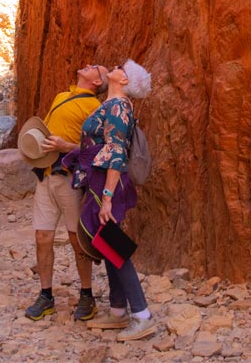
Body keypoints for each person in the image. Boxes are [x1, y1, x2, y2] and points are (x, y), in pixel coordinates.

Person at [64, 58, 155, 341]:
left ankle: (142, 315)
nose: (115, 68)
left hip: (108, 181)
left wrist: (106, 198)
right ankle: (118, 311)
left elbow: (115, 152)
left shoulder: (118, 106)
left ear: (124, 81)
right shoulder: (113, 105)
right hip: (101, 178)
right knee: (105, 243)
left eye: (120, 68)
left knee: (112, 244)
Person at [19, 63, 109, 322]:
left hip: (71, 180)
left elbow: (97, 148)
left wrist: (65, 145)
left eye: (96, 68)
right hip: (45, 176)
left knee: (76, 238)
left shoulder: (94, 108)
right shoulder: (61, 96)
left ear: (96, 83)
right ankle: (46, 295)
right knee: (42, 236)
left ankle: (86, 295)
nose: (89, 65)